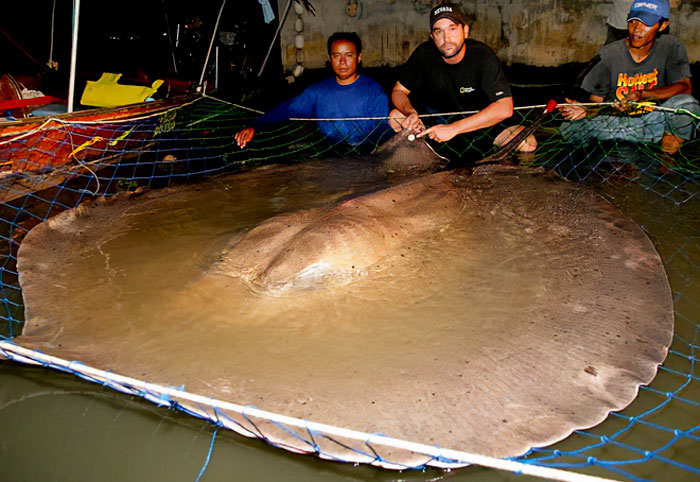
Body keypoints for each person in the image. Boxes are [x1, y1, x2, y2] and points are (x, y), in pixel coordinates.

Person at [388, 2, 534, 153]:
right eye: (439, 32)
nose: (446, 38)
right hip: (438, 125)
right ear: (432, 37)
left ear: (465, 31)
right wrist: (411, 112)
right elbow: (398, 91)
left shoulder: (483, 56)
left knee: (527, 143)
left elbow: (505, 108)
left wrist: (454, 128)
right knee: (396, 117)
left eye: (452, 29)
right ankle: (423, 161)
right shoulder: (424, 54)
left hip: (481, 125)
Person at [560, 0, 699, 155]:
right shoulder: (608, 54)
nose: (637, 29)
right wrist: (585, 110)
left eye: (647, 24)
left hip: (655, 122)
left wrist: (643, 94)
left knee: (687, 105)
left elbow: (685, 88)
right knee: (570, 129)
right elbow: (594, 101)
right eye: (633, 21)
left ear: (663, 25)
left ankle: (667, 159)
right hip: (618, 124)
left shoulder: (671, 46)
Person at [235, 32, 389, 148]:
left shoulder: (374, 91)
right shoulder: (318, 92)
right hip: (330, 153)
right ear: (330, 59)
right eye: (336, 56)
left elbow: (382, 130)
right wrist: (255, 126)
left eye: (349, 55)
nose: (342, 62)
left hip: (366, 154)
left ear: (359, 57)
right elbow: (286, 110)